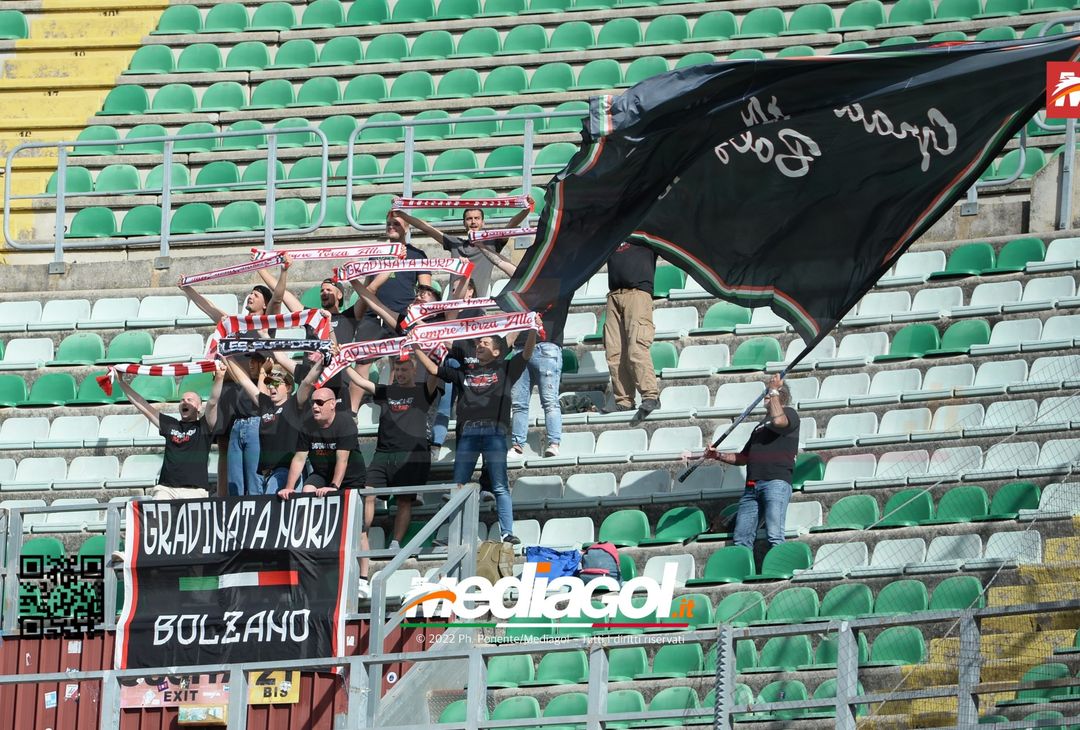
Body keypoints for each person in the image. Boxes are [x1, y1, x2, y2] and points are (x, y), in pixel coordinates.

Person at [412, 328, 538, 545]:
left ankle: (507, 533)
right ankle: (451, 536)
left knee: (499, 486)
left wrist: (533, 330)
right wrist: (415, 346)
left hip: (494, 432)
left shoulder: (506, 368)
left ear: (498, 352)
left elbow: (526, 353)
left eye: (486, 343)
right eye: (479, 343)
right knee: (457, 486)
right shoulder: (464, 371)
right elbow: (434, 368)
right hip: (468, 432)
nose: (480, 345)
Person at [182, 255, 290, 494]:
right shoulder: (234, 323)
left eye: (257, 294)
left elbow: (279, 297)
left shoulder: (265, 323)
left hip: (252, 390)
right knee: (223, 446)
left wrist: (283, 271)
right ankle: (224, 498)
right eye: (250, 293)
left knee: (252, 445)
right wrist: (188, 288)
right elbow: (209, 308)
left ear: (265, 304)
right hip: (229, 392)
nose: (250, 296)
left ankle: (252, 496)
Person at [343, 356, 440, 580]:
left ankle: (395, 542)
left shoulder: (421, 391)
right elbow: (360, 380)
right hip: (383, 452)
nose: (400, 373)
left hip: (411, 454)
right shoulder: (386, 391)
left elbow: (435, 374)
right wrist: (343, 363)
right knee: (367, 492)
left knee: (404, 500)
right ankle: (363, 531)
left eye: (405, 369)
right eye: (397, 369)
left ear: (413, 371)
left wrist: (428, 351)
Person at [470, 240, 564, 458]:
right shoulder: (526, 282)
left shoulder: (564, 283)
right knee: (519, 403)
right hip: (520, 348)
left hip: (547, 345)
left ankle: (554, 443)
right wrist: (481, 245)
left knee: (549, 400)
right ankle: (518, 445)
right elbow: (502, 263)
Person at [703, 374, 800, 550]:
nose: (765, 396)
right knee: (741, 539)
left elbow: (779, 420)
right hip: (752, 488)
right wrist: (717, 455)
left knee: (774, 535)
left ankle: (777, 573)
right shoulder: (760, 426)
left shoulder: (790, 414)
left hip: (775, 483)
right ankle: (742, 572)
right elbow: (743, 457)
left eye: (768, 394)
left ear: (779, 395)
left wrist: (774, 390)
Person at [115, 363, 225, 495]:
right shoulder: (170, 424)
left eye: (190, 400)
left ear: (199, 407)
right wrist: (120, 382)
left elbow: (213, 402)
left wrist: (219, 377)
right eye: (182, 400)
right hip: (166, 489)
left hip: (194, 491)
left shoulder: (204, 425)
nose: (184, 402)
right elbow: (142, 405)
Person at [223, 356, 322, 494]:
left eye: (276, 383)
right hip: (269, 474)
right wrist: (228, 357)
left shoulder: (294, 405)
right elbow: (244, 381)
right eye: (269, 383)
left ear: (288, 387)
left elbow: (307, 382)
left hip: (287, 471)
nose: (271, 387)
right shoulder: (266, 406)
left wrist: (321, 362)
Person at [394, 204, 531, 297]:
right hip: (454, 304)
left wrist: (526, 210)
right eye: (469, 219)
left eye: (477, 218)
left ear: (483, 222)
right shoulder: (455, 243)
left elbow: (512, 224)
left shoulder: (492, 243)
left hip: (477, 305)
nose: (473, 222)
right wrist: (401, 214)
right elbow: (426, 228)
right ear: (463, 223)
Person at [279, 385, 367, 501]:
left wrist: (334, 486)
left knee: (343, 503)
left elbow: (342, 460)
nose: (315, 406)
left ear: (332, 404)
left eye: (319, 402)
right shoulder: (307, 425)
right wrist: (289, 488)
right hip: (322, 475)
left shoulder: (345, 423)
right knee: (307, 491)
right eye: (313, 402)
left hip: (350, 477)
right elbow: (299, 459)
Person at [604, 241, 660, 416]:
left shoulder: (646, 227)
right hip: (614, 295)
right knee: (614, 351)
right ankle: (624, 400)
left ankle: (651, 395)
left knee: (637, 347)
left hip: (638, 292)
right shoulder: (615, 228)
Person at [359, 213, 432, 335]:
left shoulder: (417, 255)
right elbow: (367, 287)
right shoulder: (375, 255)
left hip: (401, 317)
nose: (391, 226)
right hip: (373, 319)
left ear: (407, 229)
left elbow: (427, 292)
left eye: (396, 223)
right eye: (389, 224)